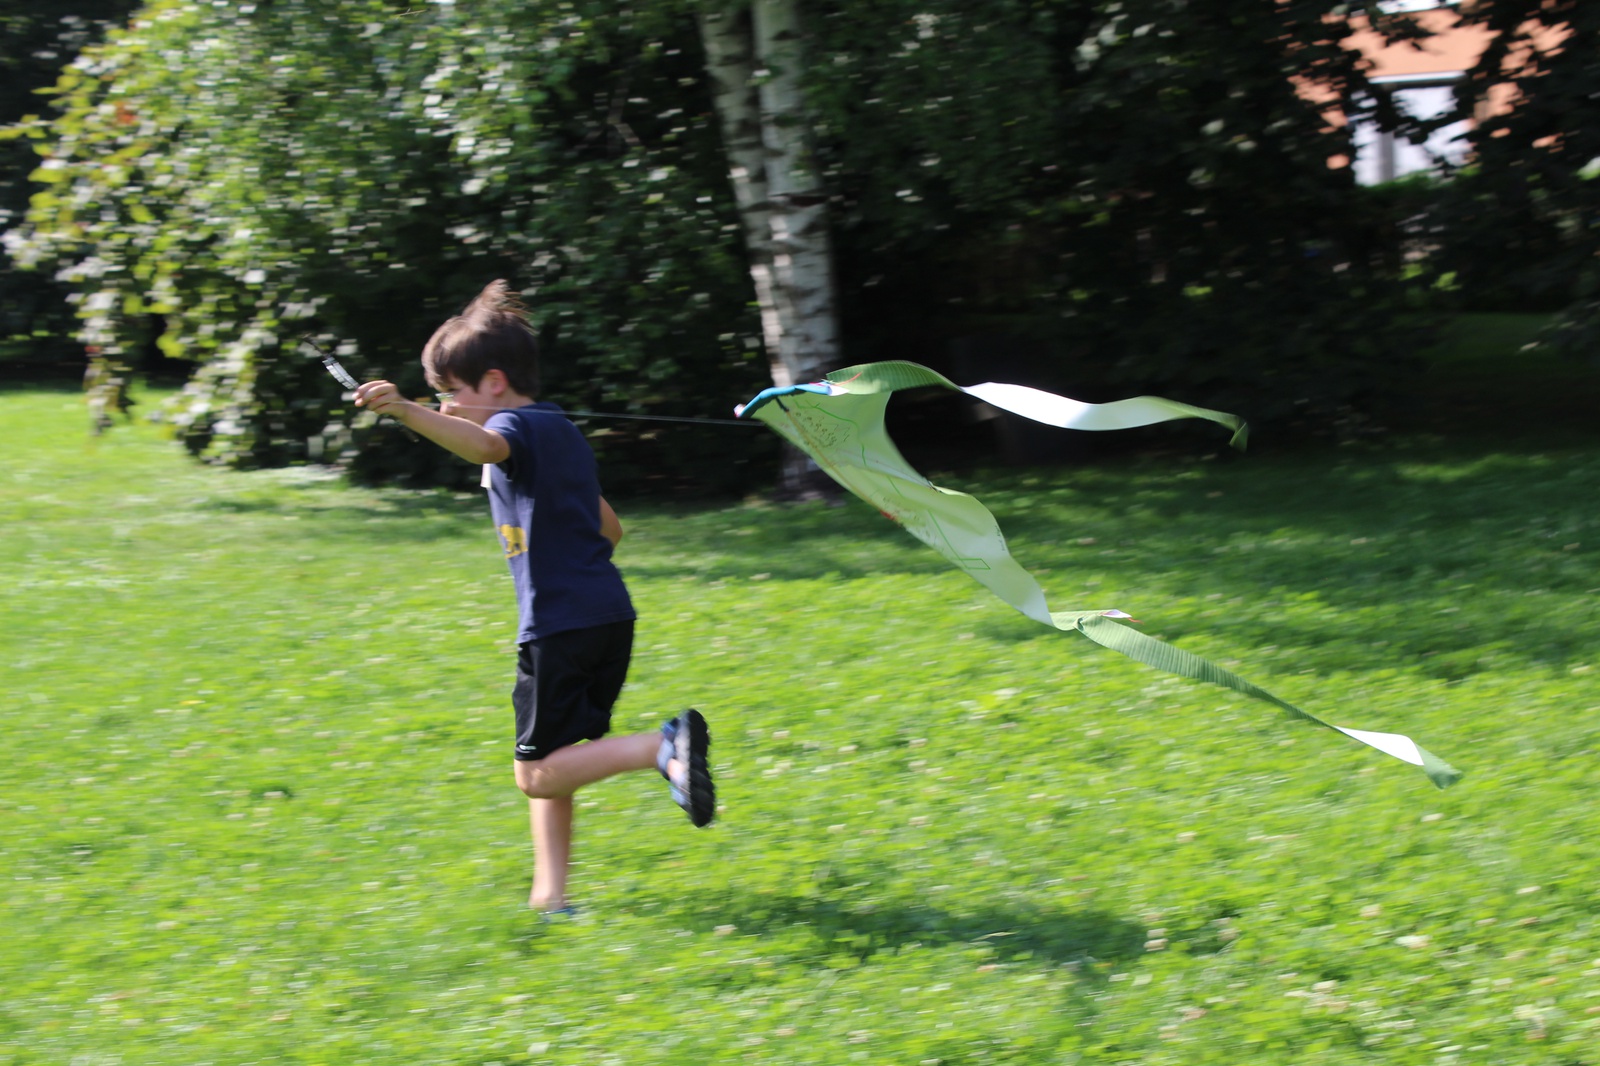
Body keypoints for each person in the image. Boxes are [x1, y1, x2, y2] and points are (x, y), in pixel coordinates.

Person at [353, 279, 714, 915]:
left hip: (558, 622)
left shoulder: (511, 428)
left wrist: (406, 411)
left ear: (493, 383)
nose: (445, 408)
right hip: (607, 614)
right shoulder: (559, 431)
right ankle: (550, 898)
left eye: (450, 394)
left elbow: (487, 445)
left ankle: (662, 746)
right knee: (557, 758)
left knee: (535, 774)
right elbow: (610, 528)